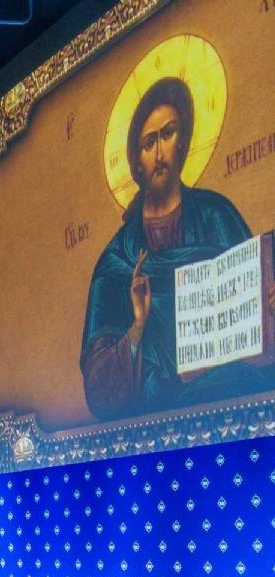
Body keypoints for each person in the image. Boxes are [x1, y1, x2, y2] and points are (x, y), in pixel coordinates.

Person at [81, 77, 275, 420]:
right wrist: (137, 327)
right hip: (160, 414)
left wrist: (269, 306)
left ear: (182, 140)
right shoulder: (117, 261)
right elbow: (99, 392)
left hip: (231, 391)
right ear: (136, 160)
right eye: (148, 143)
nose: (159, 154)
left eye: (168, 134)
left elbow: (258, 315)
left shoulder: (217, 216)